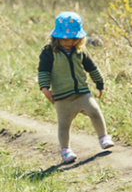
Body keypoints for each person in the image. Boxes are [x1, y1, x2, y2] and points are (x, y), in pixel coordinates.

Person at [37, 11, 114, 164]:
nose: (69, 42)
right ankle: (66, 150)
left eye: (73, 38)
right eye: (65, 39)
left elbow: (92, 68)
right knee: (64, 124)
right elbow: (43, 71)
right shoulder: (49, 52)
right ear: (56, 36)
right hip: (62, 96)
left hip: (82, 93)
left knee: (95, 112)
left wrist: (99, 83)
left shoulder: (80, 51)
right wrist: (45, 89)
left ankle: (103, 137)